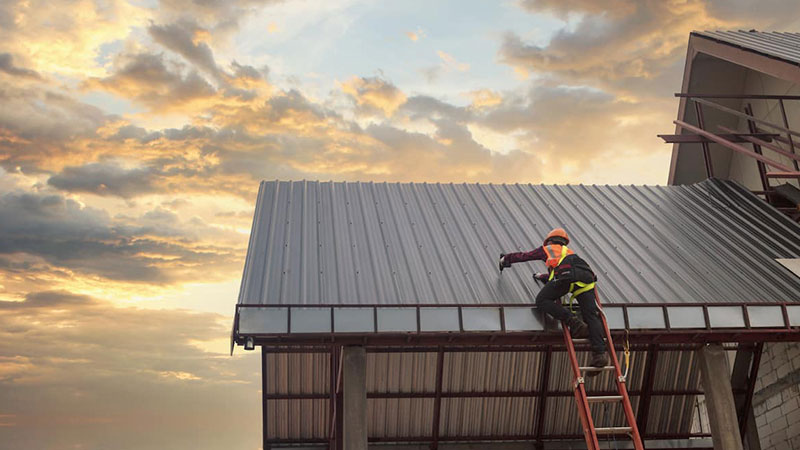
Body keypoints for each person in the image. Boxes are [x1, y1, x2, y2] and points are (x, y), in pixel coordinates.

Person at [499, 228, 608, 368]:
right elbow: (558, 274)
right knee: (592, 316)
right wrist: (540, 276)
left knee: (542, 301)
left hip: (568, 276)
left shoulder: (547, 248)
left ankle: (573, 322)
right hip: (586, 277)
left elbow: (525, 255)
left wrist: (506, 259)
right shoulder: (569, 253)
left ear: (549, 241)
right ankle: (600, 354)